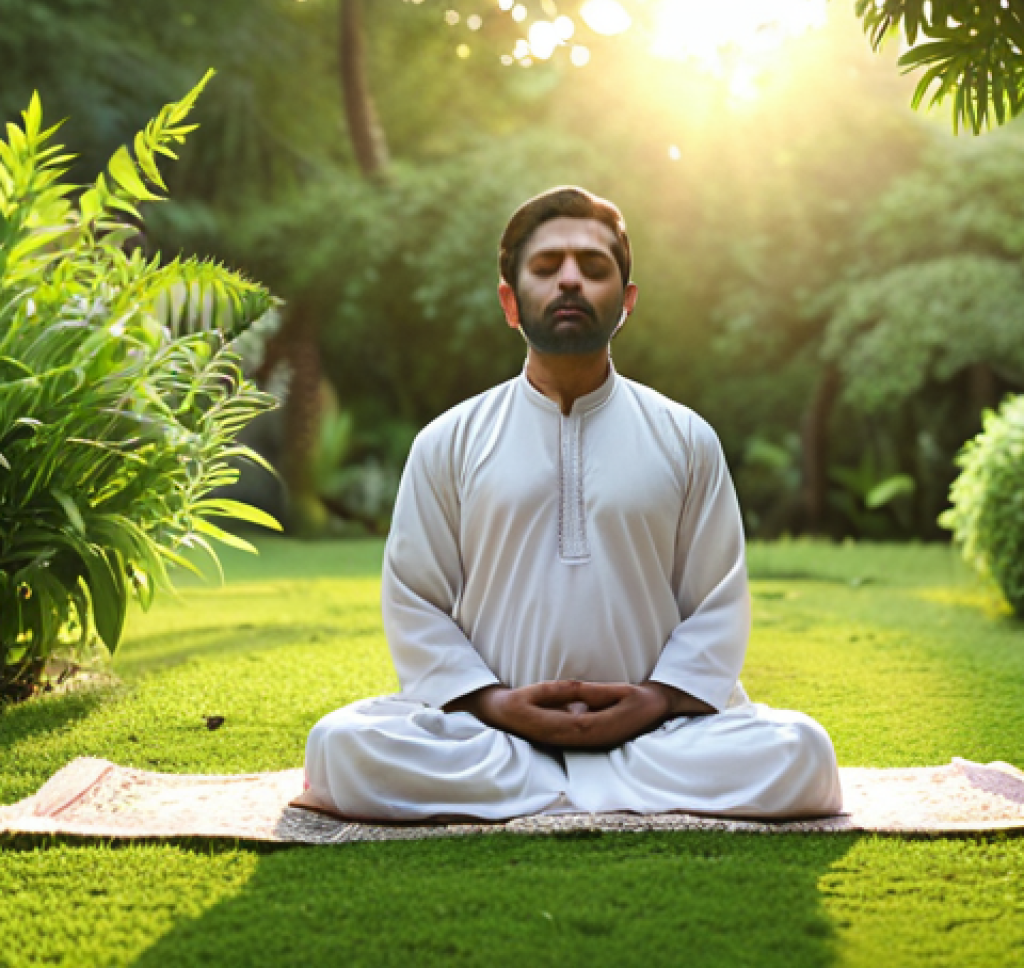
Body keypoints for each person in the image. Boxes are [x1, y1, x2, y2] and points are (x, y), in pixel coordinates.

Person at [300, 186, 843, 823]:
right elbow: (416, 601)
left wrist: (656, 700)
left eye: (592, 267)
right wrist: (495, 705)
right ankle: (581, 784)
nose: (569, 282)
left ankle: (555, 789)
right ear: (510, 301)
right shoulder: (447, 441)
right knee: (340, 746)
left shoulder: (686, 437)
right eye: (545, 267)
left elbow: (717, 601)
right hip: (494, 736)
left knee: (802, 752)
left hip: (657, 736)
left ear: (627, 302)